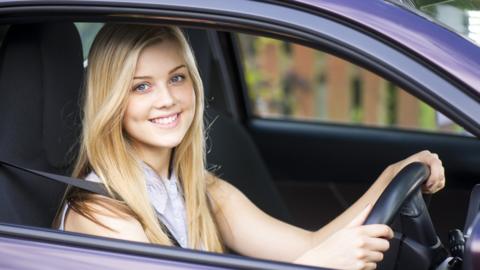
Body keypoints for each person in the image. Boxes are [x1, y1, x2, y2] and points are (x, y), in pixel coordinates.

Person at [55, 23, 446, 270]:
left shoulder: (201, 189)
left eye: (177, 78)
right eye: (141, 86)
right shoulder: (102, 215)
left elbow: (308, 244)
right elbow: (315, 255)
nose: (167, 99)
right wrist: (318, 264)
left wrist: (392, 178)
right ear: (111, 101)